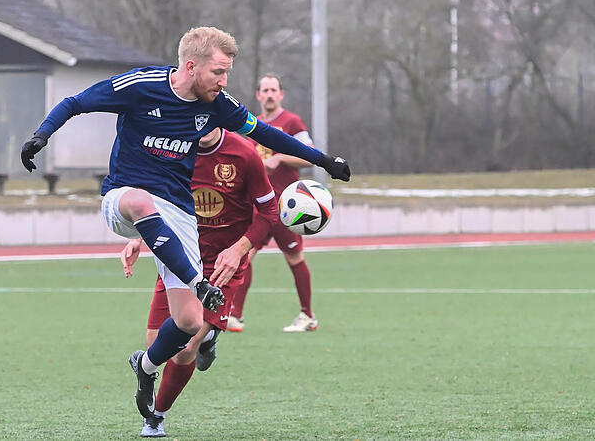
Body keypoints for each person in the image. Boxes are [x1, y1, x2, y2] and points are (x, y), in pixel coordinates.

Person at [19, 27, 351, 421]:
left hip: (178, 215)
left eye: (227, 73)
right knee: (143, 202)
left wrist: (323, 160)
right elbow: (75, 102)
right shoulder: (140, 86)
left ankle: (144, 365)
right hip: (124, 197)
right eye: (218, 72)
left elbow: (266, 134)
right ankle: (199, 283)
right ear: (191, 66)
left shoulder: (218, 105)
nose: (224, 81)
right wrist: (42, 135)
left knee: (189, 322)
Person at [121, 126, 278, 437]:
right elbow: (158, 202)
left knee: (184, 347)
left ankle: (156, 417)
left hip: (224, 265)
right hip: (179, 257)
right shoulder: (171, 150)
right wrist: (139, 238)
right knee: (157, 345)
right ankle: (204, 340)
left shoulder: (244, 153)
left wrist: (240, 249)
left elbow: (269, 211)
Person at [228, 74, 319, 333]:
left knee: (293, 256)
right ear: (258, 95)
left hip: (286, 205)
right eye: (264, 90)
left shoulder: (291, 122)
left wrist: (280, 158)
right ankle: (235, 315)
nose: (269, 94)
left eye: (273, 90)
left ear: (281, 94)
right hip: (257, 205)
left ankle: (307, 315)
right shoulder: (250, 125)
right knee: (244, 255)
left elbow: (309, 156)